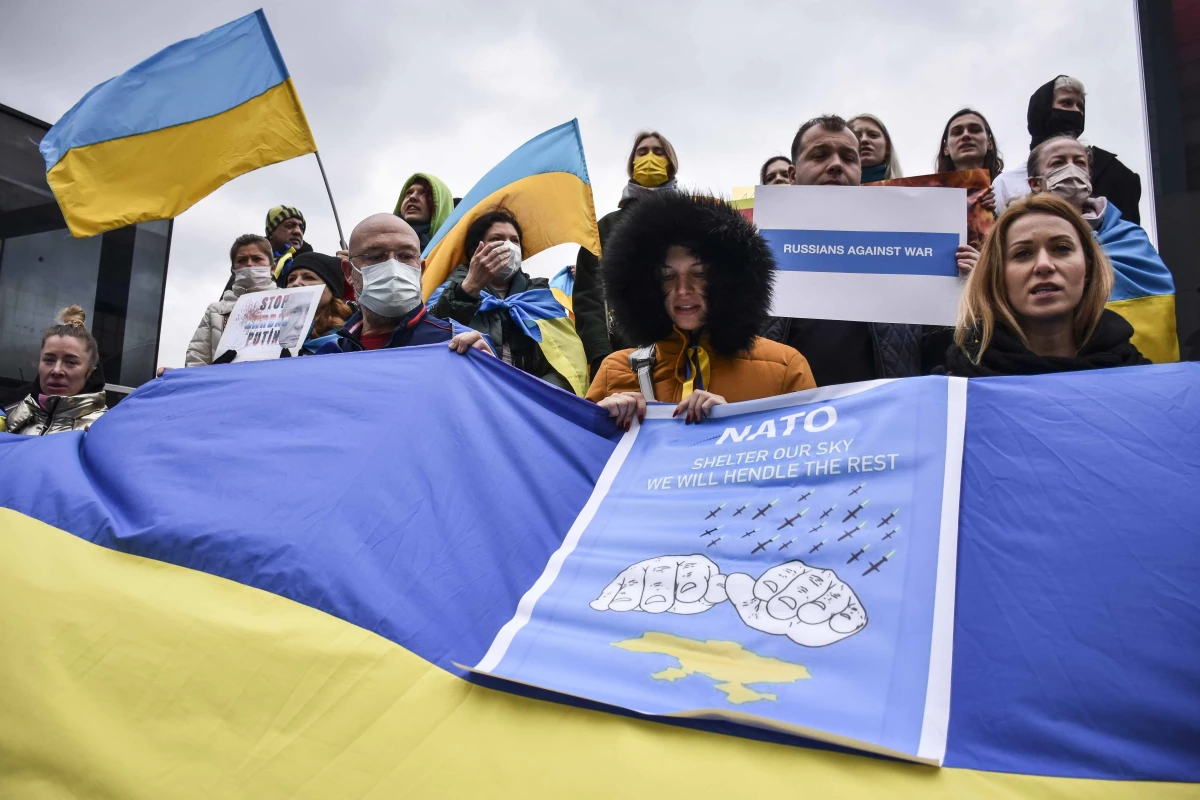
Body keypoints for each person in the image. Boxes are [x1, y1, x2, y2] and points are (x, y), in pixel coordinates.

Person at [587, 191, 815, 428]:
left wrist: (735, 430)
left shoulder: (786, 368)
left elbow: (808, 456)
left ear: (729, 279)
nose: (683, 289)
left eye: (700, 274)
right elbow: (571, 457)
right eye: (667, 276)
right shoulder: (614, 371)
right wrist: (598, 425)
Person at [762, 115, 946, 385]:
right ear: (792, 175)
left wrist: (969, 291)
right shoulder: (754, 253)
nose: (836, 165)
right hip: (782, 419)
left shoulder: (905, 247)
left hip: (879, 417)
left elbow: (939, 354)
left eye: (848, 158)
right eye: (820, 155)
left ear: (860, 172)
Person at [942, 193, 1147, 377]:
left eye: (1061, 248)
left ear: (1088, 268)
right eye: (1022, 253)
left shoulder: (1143, 380)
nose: (1043, 265)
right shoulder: (954, 390)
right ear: (998, 276)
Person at [1025, 134, 1178, 362]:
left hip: (1133, 367)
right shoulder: (1014, 239)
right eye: (1058, 163)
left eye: (1079, 163)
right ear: (1035, 183)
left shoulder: (1129, 235)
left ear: (1089, 178)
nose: (1071, 169)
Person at [429, 209, 583, 392]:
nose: (508, 246)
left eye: (514, 240)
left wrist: (529, 395)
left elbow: (566, 365)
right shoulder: (449, 292)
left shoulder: (542, 297)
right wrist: (468, 290)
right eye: (496, 239)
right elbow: (428, 339)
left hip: (528, 406)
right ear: (475, 250)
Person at [574, 131, 681, 379]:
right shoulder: (606, 227)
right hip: (621, 358)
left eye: (658, 151)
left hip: (681, 356)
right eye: (642, 152)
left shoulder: (691, 221)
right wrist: (601, 357)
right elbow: (588, 297)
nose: (650, 157)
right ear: (632, 165)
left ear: (671, 163)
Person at [314, 213, 489, 355]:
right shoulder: (330, 354)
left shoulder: (460, 343)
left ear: (420, 268)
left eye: (406, 256)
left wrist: (487, 372)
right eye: (376, 256)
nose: (393, 266)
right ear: (348, 272)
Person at [994, 76, 1142, 223]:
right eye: (1067, 103)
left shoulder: (1110, 170)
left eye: (1080, 107)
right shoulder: (1006, 183)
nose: (1076, 112)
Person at [4, 306, 107, 435]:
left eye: (71, 362)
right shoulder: (14, 418)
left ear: (90, 372)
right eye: (49, 360)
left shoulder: (104, 428)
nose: (57, 370)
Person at [186, 234, 279, 366]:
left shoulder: (291, 303)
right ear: (234, 272)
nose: (249, 264)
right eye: (241, 260)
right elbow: (196, 360)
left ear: (272, 268)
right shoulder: (216, 311)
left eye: (257, 258)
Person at [277, 251, 356, 353]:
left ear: (332, 291)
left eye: (309, 277)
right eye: (291, 279)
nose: (295, 283)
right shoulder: (273, 330)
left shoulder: (350, 334)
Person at [394, 173, 454, 250]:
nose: (412, 197)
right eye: (409, 192)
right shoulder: (381, 241)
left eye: (423, 193)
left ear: (441, 206)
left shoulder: (453, 254)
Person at [848, 114, 902, 183]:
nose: (864, 140)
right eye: (856, 136)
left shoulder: (910, 190)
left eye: (873, 135)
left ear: (887, 147)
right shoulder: (832, 191)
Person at [265, 205, 313, 278]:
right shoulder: (252, 263)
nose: (298, 231)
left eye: (301, 228)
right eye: (290, 225)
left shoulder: (313, 266)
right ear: (271, 233)